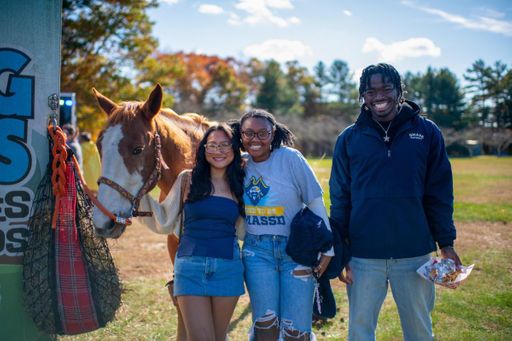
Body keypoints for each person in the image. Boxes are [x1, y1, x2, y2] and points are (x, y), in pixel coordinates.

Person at [329, 63, 462, 341]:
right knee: (360, 332)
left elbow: (439, 193)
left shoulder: (426, 132)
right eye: (370, 90)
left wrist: (446, 243)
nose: (379, 96)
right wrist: (341, 252)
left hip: (414, 254)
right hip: (363, 256)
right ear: (362, 96)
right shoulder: (349, 138)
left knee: (419, 332)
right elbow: (340, 200)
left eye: (386, 88)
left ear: (400, 91)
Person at [232, 109, 333, 341]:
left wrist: (329, 247)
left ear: (273, 133)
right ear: (240, 135)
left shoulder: (290, 158)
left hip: (296, 251)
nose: (254, 139)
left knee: (296, 330)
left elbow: (315, 202)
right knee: (265, 326)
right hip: (257, 253)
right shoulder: (238, 166)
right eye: (248, 133)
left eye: (262, 133)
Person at [138, 123, 246, 341]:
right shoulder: (188, 179)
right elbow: (165, 217)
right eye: (212, 145)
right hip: (190, 268)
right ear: (203, 149)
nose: (218, 150)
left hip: (228, 268)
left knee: (218, 337)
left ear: (234, 149)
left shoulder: (241, 183)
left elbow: (250, 227)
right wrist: (130, 194)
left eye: (225, 145)